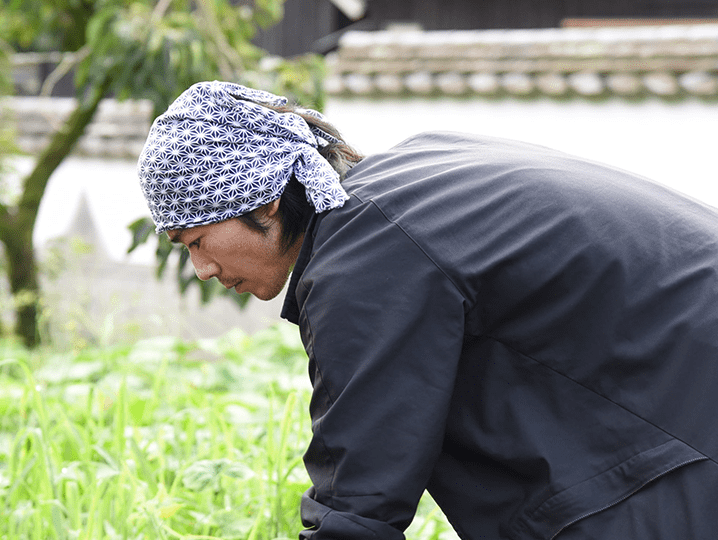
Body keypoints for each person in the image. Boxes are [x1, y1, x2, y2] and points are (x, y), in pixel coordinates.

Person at [136, 81, 718, 539]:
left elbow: (361, 493)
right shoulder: (414, 175)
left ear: (258, 198)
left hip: (682, 423)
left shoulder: (366, 258)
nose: (202, 269)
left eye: (195, 239)